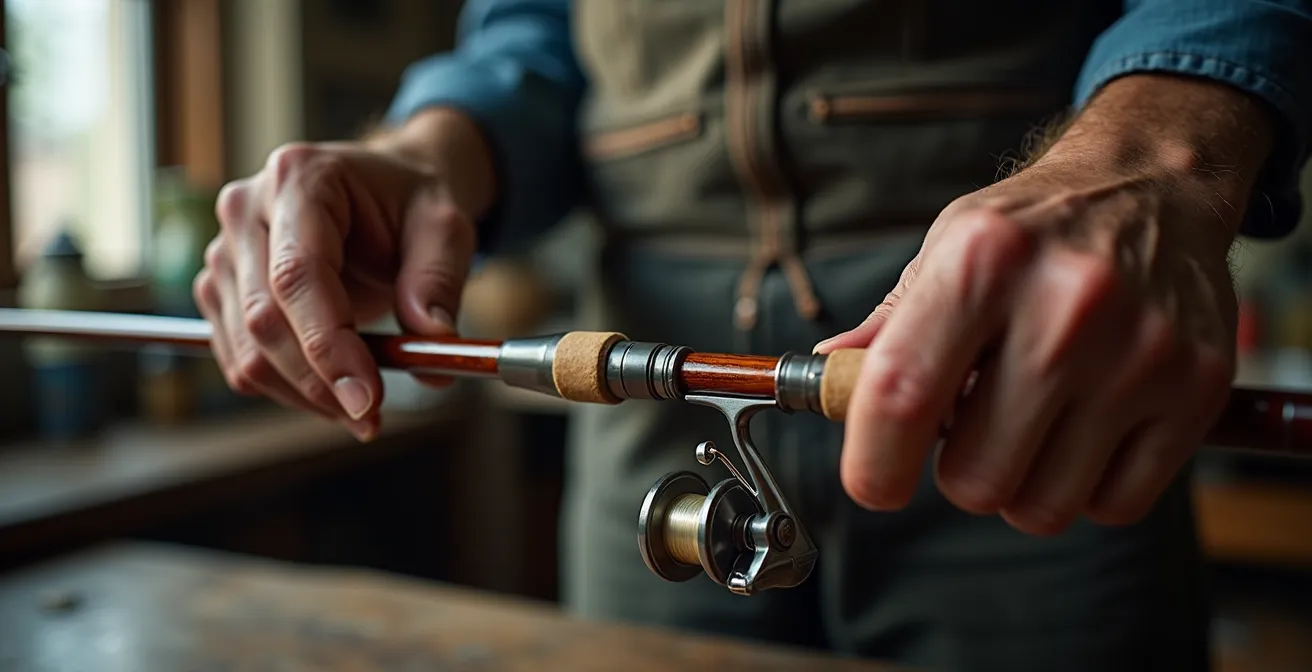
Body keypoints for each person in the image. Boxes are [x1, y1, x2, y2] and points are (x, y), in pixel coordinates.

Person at [194, 1, 1312, 669]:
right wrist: (427, 147)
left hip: (1033, 412)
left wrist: (1162, 142)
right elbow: (532, 39)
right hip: (645, 430)